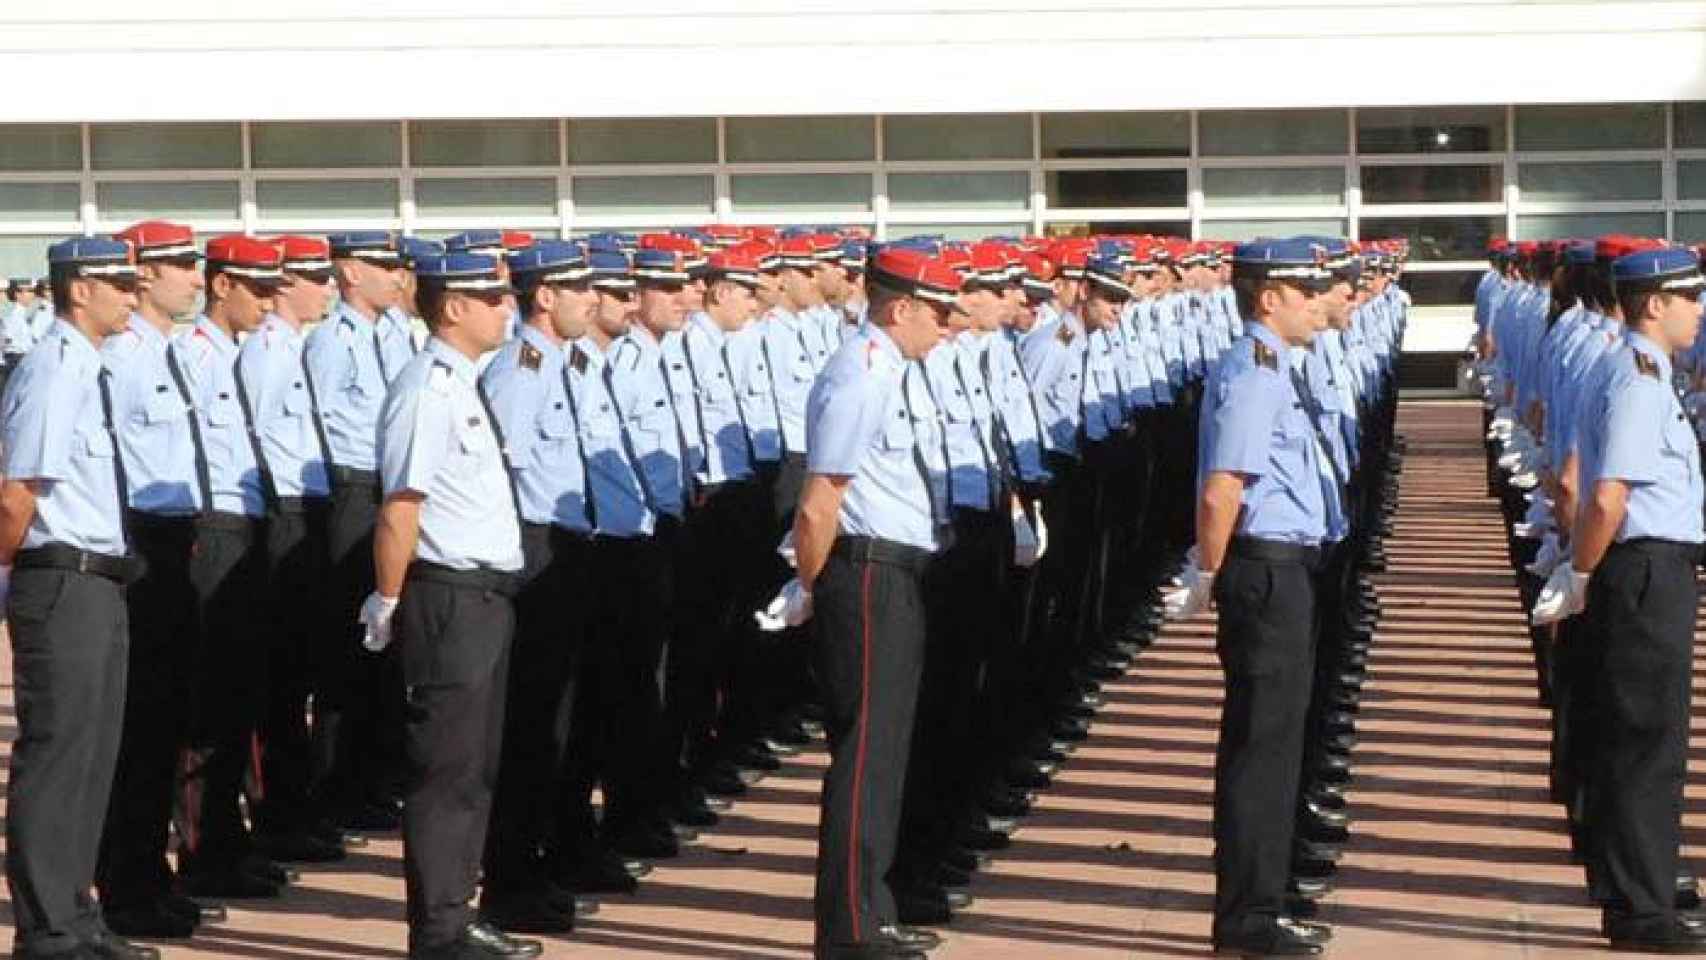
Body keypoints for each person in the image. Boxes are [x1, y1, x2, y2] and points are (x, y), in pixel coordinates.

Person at [764, 246, 964, 960]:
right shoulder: (862, 371)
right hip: (868, 572)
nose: (948, 328)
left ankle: (869, 910)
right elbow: (820, 502)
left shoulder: (890, 369)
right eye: (939, 313)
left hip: (891, 569)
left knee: (884, 748)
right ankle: (849, 925)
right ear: (899, 307)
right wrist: (810, 584)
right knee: (865, 749)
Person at [363, 250, 539, 960]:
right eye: (491, 297)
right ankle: (438, 930)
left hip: (487, 594)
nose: (507, 307)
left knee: (476, 767)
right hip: (448, 595)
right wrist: (388, 597)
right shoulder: (426, 388)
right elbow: (401, 507)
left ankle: (456, 913)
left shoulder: (463, 383)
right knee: (446, 769)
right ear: (454, 308)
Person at [1166, 237, 1337, 958]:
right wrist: (1207, 572)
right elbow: (1222, 489)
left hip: (1283, 566)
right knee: (1261, 746)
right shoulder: (1256, 371)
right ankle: (1248, 915)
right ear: (1269, 298)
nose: (1320, 303)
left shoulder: (1273, 365)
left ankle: (1266, 897)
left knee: (1275, 740)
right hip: (1265, 570)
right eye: (1307, 291)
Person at [1535, 246, 1706, 953]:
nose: (1700, 312)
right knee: (1648, 740)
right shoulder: (1638, 378)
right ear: (1654, 305)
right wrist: (1582, 571)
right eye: (1689, 298)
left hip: (1644, 567)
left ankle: (1644, 878)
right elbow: (1608, 495)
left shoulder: (1641, 369)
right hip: (1643, 569)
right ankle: (1641, 908)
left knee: (1641, 734)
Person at [1, 235, 157, 960]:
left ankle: (76, 914)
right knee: (60, 755)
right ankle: (46, 928)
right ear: (80, 291)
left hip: (97, 579)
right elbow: (14, 496)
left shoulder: (87, 367)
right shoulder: (54, 369)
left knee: (94, 757)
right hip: (60, 579)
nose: (133, 294)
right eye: (119, 283)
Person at [96, 220, 240, 936]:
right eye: (179, 264)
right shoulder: (121, 356)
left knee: (168, 722)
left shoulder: (171, 351)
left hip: (180, 539)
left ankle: (151, 876)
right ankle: (126, 887)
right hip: (139, 543)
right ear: (143, 274)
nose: (194, 274)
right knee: (140, 726)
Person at [477, 239, 601, 934]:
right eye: (577, 286)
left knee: (557, 720)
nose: (593, 297)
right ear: (544, 296)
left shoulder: (567, 362)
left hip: (570, 546)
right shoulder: (520, 368)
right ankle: (509, 881)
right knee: (527, 726)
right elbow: (505, 472)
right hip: (533, 549)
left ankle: (537, 866)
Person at [168, 235, 288, 897]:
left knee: (241, 696)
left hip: (245, 525)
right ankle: (200, 849)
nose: (269, 304)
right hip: (209, 531)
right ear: (222, 286)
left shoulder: (235, 354)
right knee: (207, 701)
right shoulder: (190, 356)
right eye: (259, 290)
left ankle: (226, 839)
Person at [234, 235, 348, 865]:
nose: (323, 289)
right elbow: (255, 437)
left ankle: (290, 806)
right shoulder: (267, 351)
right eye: (312, 279)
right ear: (285, 287)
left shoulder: (291, 346)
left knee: (299, 671)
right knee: (275, 678)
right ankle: (275, 811)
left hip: (306, 512)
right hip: (280, 514)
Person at [302, 230, 410, 833]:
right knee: (348, 648)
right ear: (348, 272)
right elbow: (312, 425)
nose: (397, 275)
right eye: (382, 265)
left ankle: (373, 777)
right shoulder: (330, 341)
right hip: (351, 489)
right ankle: (336, 787)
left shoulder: (396, 334)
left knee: (387, 647)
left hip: (390, 488)